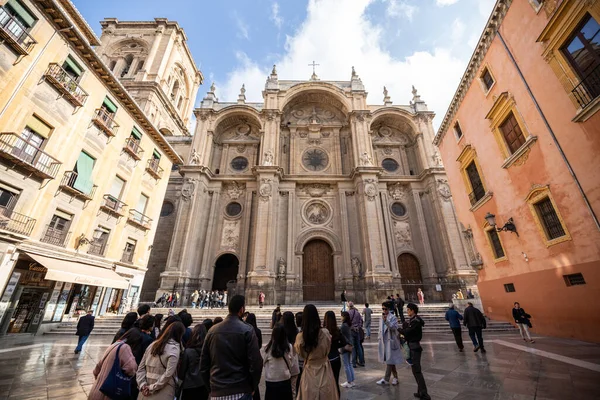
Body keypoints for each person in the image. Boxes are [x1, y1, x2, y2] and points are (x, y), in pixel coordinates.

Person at [200, 295, 263, 399]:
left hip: (217, 392)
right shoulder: (247, 330)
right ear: (242, 309)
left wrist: (211, 388)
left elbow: (203, 365)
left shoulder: (212, 331)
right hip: (241, 390)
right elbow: (256, 363)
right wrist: (252, 386)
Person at [295, 304, 339, 399]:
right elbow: (328, 347)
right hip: (325, 369)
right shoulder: (325, 333)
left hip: (309, 370)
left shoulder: (300, 337)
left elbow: (300, 353)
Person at [89, 328, 141, 400]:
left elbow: (96, 369)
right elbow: (131, 368)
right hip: (109, 392)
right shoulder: (125, 347)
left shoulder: (114, 345)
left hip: (97, 390)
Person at [137, 321, 185, 399]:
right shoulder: (174, 348)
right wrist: (152, 387)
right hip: (164, 390)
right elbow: (168, 374)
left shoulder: (152, 345)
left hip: (145, 391)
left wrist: (142, 385)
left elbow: (140, 368)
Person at [399, 303, 431, 400]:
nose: (407, 311)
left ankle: (425, 394)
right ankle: (420, 392)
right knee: (415, 370)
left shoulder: (415, 321)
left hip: (414, 347)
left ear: (413, 310)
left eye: (408, 309)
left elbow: (407, 332)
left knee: (417, 371)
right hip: (413, 346)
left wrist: (398, 329)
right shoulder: (414, 320)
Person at [261, 324, 299, 400]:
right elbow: (291, 363)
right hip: (285, 380)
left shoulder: (267, 349)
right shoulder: (289, 347)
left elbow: (263, 362)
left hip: (271, 381)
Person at [178, 324, 209, 400]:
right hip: (204, 384)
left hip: (189, 385)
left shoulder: (188, 351)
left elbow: (182, 371)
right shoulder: (208, 351)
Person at [376, 301, 402, 385]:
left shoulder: (393, 317)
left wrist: (386, 321)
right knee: (390, 360)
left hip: (391, 341)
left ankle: (386, 379)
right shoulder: (381, 317)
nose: (384, 311)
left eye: (385, 309)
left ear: (389, 309)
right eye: (382, 309)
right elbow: (380, 329)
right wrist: (379, 337)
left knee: (389, 361)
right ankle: (395, 378)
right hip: (384, 341)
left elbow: (393, 328)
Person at [323, 310, 345, 396]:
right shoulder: (337, 330)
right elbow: (344, 342)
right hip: (336, 358)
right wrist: (335, 346)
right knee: (335, 381)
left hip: (326, 360)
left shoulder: (323, 331)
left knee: (326, 383)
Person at [347, 302, 365, 367]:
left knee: (353, 347)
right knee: (359, 346)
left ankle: (354, 363)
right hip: (357, 331)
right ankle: (362, 362)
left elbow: (347, 322)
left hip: (351, 331)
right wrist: (358, 327)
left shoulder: (348, 313)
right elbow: (361, 320)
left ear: (348, 306)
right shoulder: (357, 312)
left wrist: (352, 328)